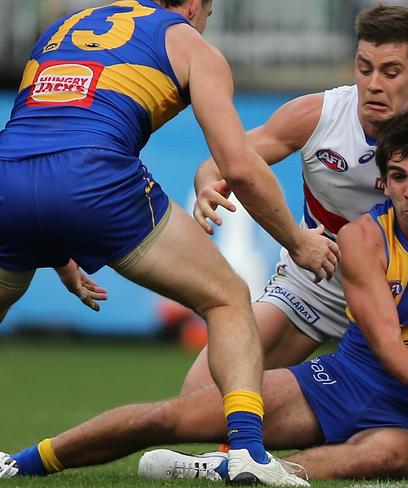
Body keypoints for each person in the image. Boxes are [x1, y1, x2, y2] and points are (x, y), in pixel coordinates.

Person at [0, 111, 408, 482]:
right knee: (175, 413)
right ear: (385, 182)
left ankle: (231, 470)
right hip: (348, 382)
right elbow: (381, 339)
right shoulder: (362, 237)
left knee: (390, 459)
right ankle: (24, 462)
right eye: (398, 177)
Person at [0, 0, 339, 485]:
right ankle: (246, 452)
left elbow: (43, 139)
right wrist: (298, 241)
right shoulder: (191, 44)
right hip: (95, 177)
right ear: (198, 6)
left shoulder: (65, 26)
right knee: (226, 299)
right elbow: (239, 165)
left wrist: (55, 249)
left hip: (7, 178)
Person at [182, 4, 408, 395]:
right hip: (324, 279)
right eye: (365, 68)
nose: (374, 84)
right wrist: (209, 182)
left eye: (391, 72)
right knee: (201, 391)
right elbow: (223, 161)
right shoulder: (316, 116)